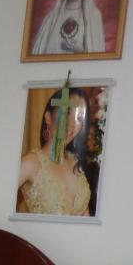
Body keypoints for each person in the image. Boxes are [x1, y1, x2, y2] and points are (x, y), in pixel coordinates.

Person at [18, 88, 92, 216]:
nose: (72, 124)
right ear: (48, 118)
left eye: (79, 118)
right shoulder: (31, 163)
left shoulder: (76, 165)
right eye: (67, 113)